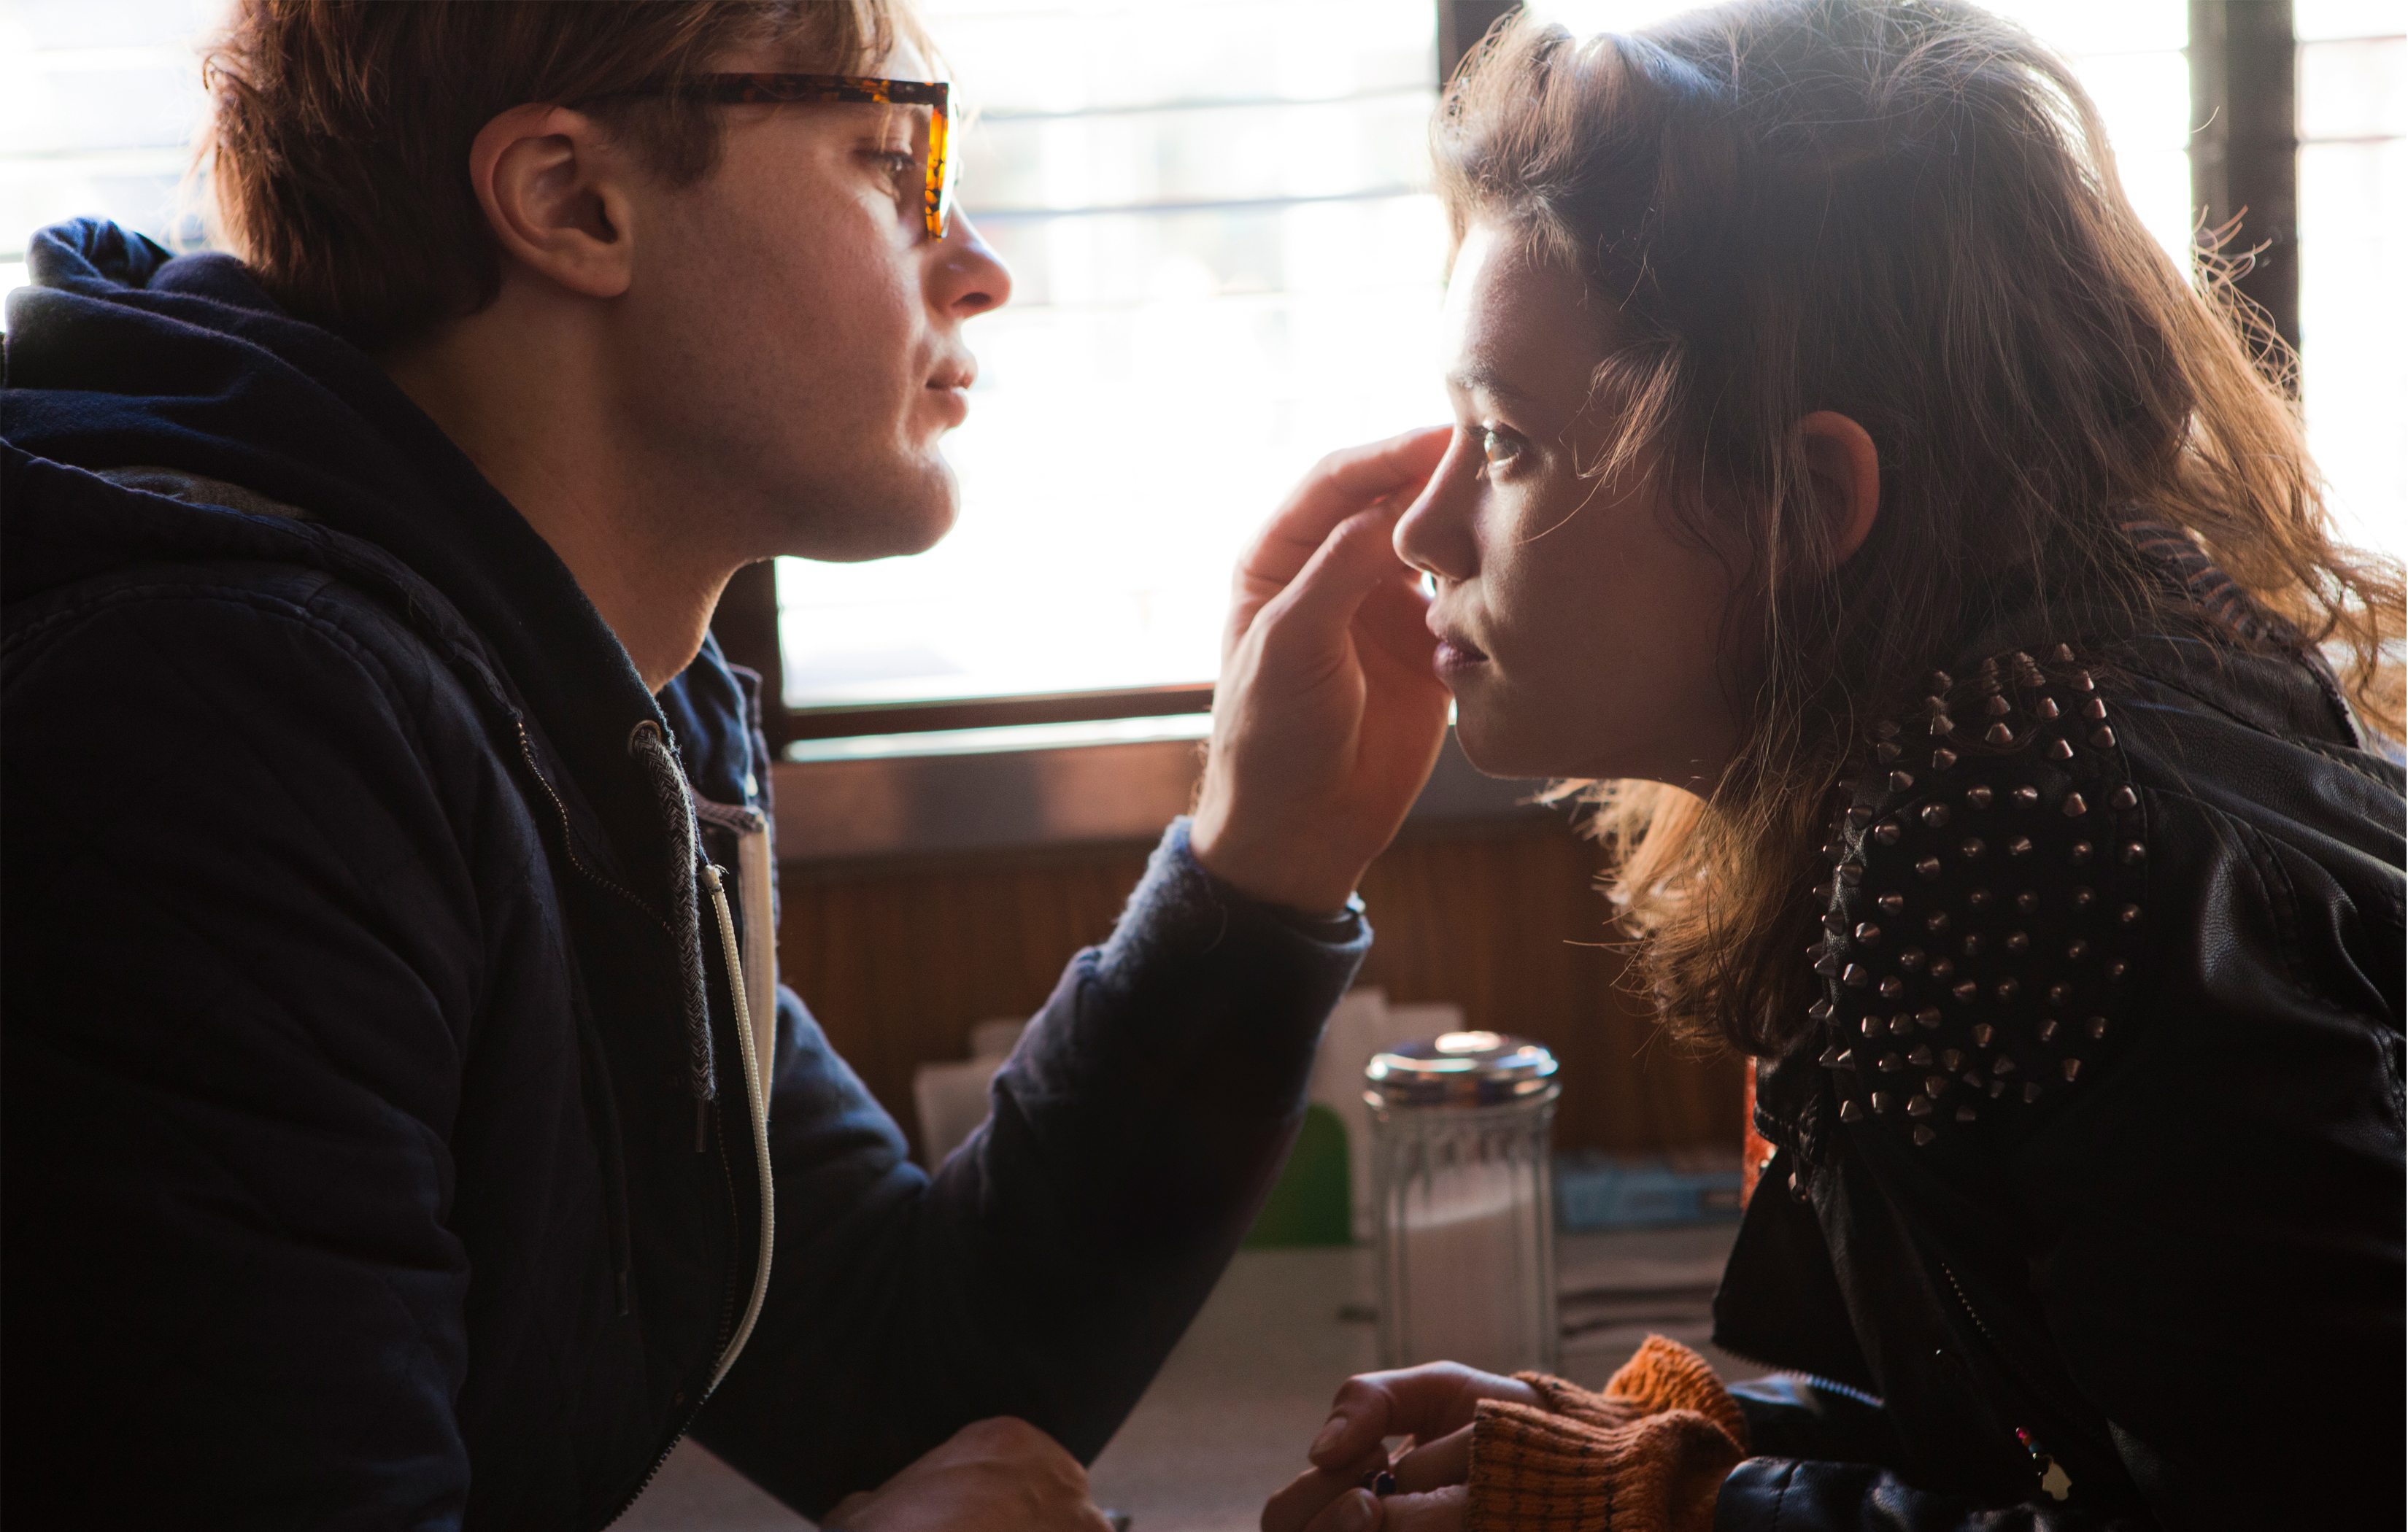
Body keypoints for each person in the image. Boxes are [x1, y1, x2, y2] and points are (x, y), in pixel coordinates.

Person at [0, 1, 1454, 1525]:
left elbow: (910, 1374)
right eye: (891, 158)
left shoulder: (593, 693)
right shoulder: (221, 735)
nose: (979, 262)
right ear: (574, 201)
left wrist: (1265, 857)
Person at [1260, 2, 2405, 1530]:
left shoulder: (2018, 841)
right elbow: (2066, 1415)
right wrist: (1689, 1428)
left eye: (1510, 443)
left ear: (1803, 499)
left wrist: (1672, 1510)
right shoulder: (2070, 719)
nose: (1423, 528)